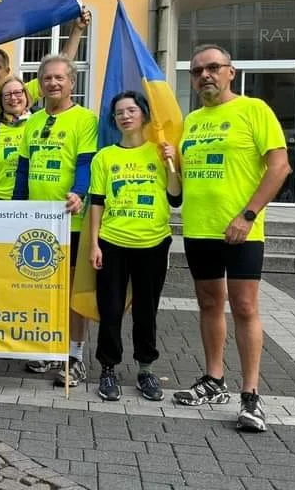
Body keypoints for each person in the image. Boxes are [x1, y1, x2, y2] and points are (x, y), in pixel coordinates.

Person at [172, 44, 291, 433]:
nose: (204, 75)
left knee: (243, 307)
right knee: (208, 303)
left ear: (230, 72)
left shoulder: (255, 110)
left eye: (212, 68)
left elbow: (279, 167)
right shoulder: (192, 121)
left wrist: (248, 214)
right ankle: (214, 380)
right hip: (199, 227)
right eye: (197, 71)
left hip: (242, 230)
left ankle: (251, 395)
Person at [87, 90, 181, 402]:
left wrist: (171, 164)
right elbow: (97, 202)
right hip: (113, 242)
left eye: (131, 110)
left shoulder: (159, 152)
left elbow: (176, 198)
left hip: (153, 243)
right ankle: (108, 368)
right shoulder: (105, 157)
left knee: (146, 310)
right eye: (119, 112)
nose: (126, 116)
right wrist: (95, 244)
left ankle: (145, 369)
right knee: (110, 310)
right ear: (114, 120)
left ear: (143, 114)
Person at [13, 55, 98, 387]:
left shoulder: (84, 119)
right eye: (47, 78)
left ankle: (74, 356)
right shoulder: (31, 121)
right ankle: (50, 346)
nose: (53, 83)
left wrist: (79, 192)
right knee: (43, 287)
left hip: (70, 220)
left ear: (71, 83)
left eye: (59, 78)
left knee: (74, 293)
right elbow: (23, 169)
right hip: (36, 219)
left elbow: (86, 163)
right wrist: (16, 209)